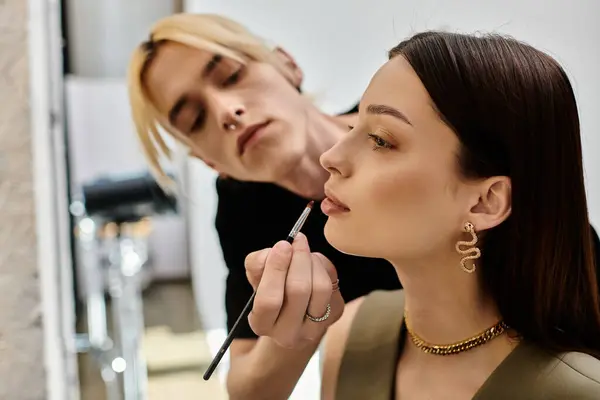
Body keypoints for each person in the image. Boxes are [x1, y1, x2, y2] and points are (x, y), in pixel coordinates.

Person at [245, 31, 600, 399]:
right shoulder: (350, 333)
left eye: (381, 139)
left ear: (485, 202)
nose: (330, 158)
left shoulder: (577, 390)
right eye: (354, 126)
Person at [126, 13, 400, 399]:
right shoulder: (246, 212)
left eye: (231, 76)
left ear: (288, 65)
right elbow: (247, 391)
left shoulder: (406, 117)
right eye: (196, 119)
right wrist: (301, 323)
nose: (226, 112)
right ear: (208, 161)